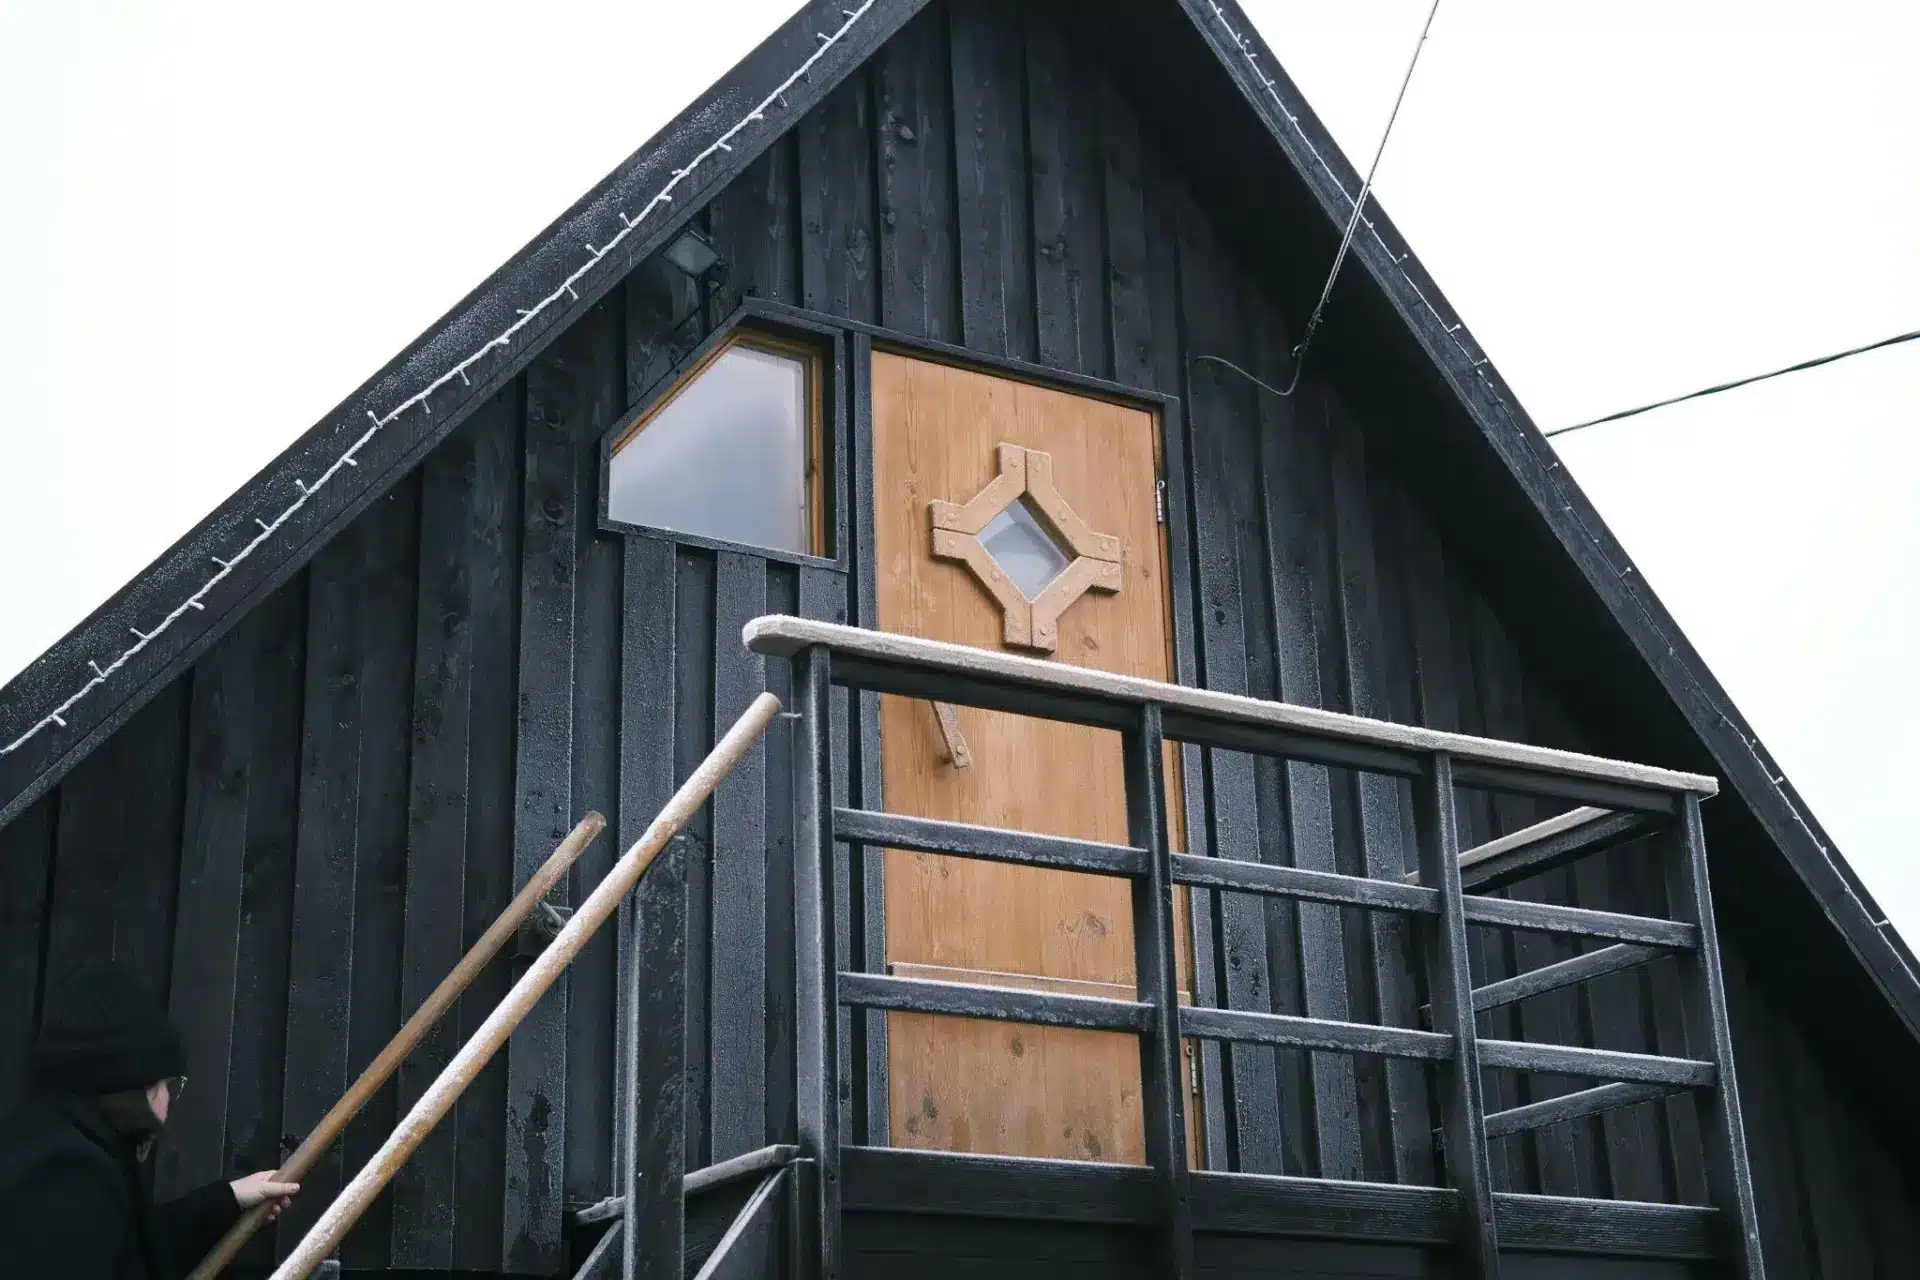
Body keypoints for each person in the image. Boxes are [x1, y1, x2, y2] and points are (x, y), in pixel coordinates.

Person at [0, 962, 300, 1279]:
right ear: (140, 1085)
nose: (170, 1098)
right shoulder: (66, 1172)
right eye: (170, 1084)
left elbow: (134, 1248)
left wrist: (231, 1198)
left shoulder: (62, 1147)